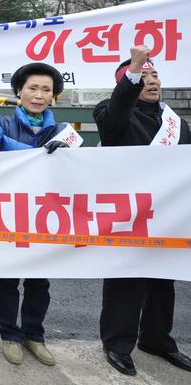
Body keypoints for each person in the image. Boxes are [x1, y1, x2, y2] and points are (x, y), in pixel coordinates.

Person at [94, 45, 191, 376]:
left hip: (169, 215)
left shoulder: (176, 122)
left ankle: (157, 339)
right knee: (128, 280)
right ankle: (118, 344)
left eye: (155, 75)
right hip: (130, 213)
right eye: (142, 76)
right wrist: (134, 66)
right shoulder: (111, 112)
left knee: (163, 281)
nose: (151, 81)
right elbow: (116, 115)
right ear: (128, 81)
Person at [0, 63, 70, 367]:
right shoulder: (2, 122)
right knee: (6, 278)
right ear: (19, 92)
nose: (38, 95)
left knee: (39, 282)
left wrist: (64, 153)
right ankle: (9, 334)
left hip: (46, 216)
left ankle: (34, 334)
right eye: (32, 88)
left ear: (53, 97)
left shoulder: (63, 131)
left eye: (46, 90)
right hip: (8, 212)